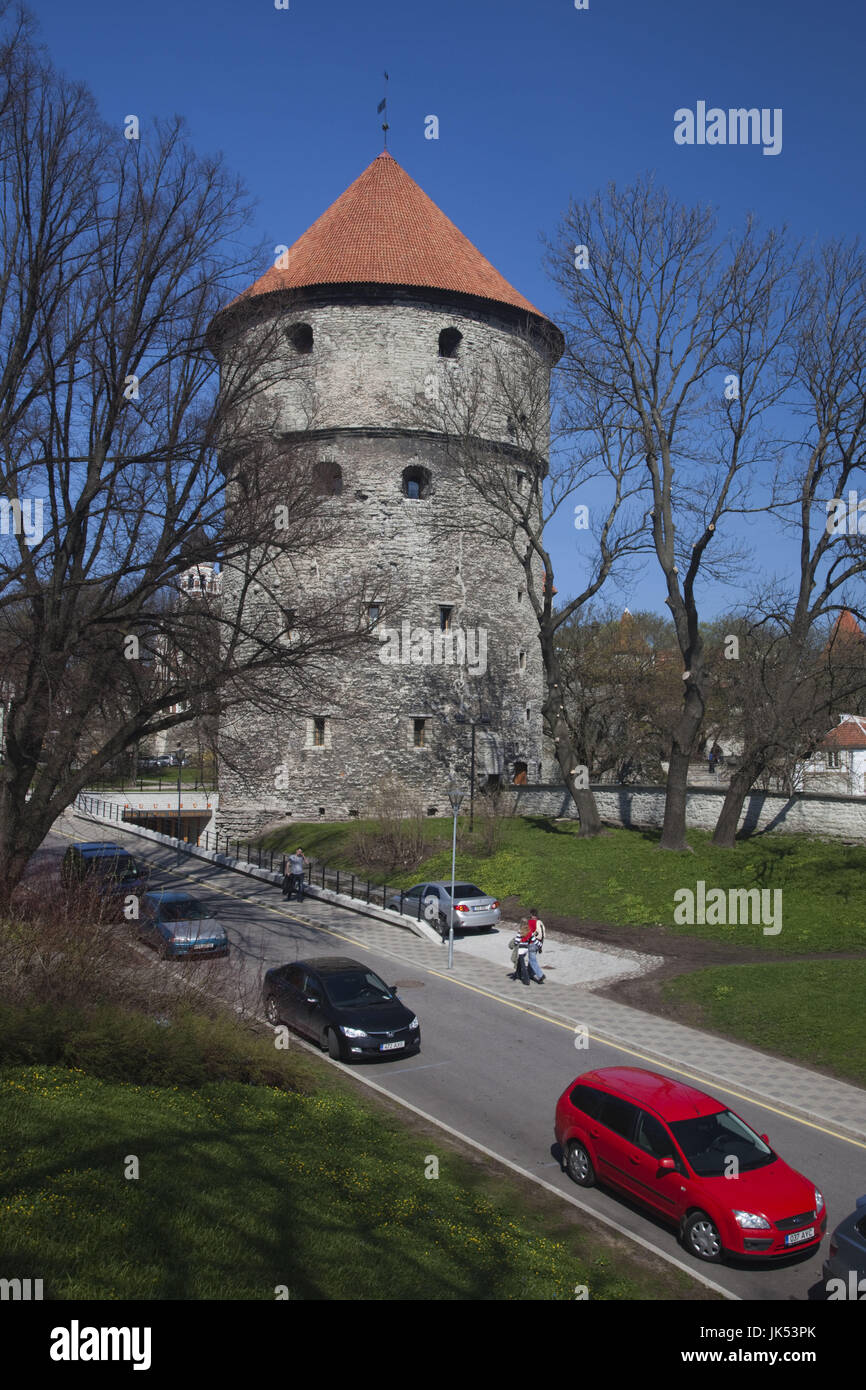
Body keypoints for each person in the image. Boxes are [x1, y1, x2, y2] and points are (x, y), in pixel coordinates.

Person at [521, 909, 546, 983]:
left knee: (532, 960)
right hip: (538, 943)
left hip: (532, 943)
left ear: (532, 915)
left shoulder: (531, 922)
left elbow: (528, 933)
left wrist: (523, 940)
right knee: (531, 959)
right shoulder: (540, 923)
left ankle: (540, 975)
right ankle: (529, 974)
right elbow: (543, 935)